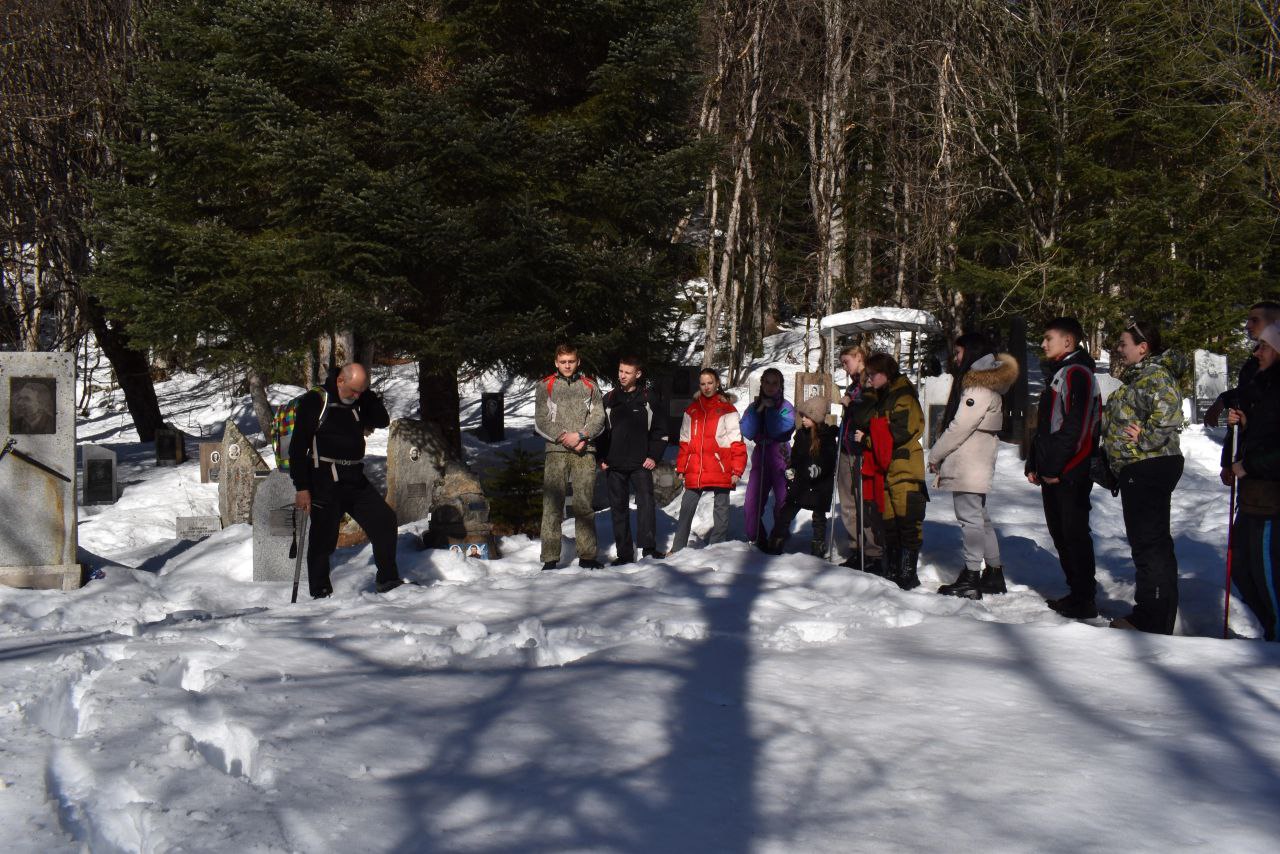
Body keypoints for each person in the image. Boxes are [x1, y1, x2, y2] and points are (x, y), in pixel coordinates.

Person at [1101, 320, 1186, 633]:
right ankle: (1154, 615)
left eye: (1124, 344)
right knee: (1147, 543)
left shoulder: (1155, 374)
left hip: (1148, 465)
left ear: (1143, 347)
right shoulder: (1140, 376)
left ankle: (1153, 619)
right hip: (1139, 467)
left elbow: (1170, 412)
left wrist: (1145, 438)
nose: (1119, 349)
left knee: (1150, 545)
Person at [291, 363, 404, 598]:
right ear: (340, 380)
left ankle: (388, 580)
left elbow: (382, 420)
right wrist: (302, 487)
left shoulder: (359, 399)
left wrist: (367, 396)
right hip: (323, 477)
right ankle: (320, 592)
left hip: (354, 477)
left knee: (384, 520)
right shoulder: (316, 400)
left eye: (361, 391)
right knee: (323, 538)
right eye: (354, 391)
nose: (356, 396)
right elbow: (297, 448)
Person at [929, 333, 1019, 599]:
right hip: (975, 460)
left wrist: (935, 454)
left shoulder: (977, 388)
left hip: (968, 463)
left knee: (970, 520)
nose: (955, 358)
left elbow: (960, 426)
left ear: (970, 352)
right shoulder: (987, 385)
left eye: (958, 353)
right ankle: (994, 573)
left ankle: (971, 577)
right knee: (980, 518)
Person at [1026, 317, 1101, 619]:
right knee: (1061, 533)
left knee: (1074, 534)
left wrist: (1057, 467)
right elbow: (1046, 426)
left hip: (1071, 471)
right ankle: (1077, 592)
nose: (1043, 344)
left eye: (1049, 338)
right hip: (1054, 470)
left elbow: (1077, 428)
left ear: (1068, 342)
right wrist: (1035, 462)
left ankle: (1084, 598)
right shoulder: (1059, 372)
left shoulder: (1077, 373)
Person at [1223, 322, 1280, 641]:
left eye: (1265, 346)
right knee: (1242, 571)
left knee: (1268, 576)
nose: (1257, 352)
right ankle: (1271, 634)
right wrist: (1245, 424)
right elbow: (1263, 434)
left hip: (1271, 500)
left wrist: (1249, 465)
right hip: (1253, 497)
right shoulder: (1263, 386)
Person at [857, 353, 927, 589]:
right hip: (886, 468)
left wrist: (868, 438)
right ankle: (894, 570)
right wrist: (869, 395)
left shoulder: (903, 396)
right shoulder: (882, 396)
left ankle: (907, 573)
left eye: (872, 375)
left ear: (885, 373)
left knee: (908, 521)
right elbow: (863, 419)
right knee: (890, 523)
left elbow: (899, 432)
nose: (869, 379)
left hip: (904, 468)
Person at [535, 344, 606, 571]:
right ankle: (550, 558)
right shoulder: (545, 386)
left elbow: (599, 417)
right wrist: (565, 437)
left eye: (571, 361)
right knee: (552, 504)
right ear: (556, 362)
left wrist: (582, 435)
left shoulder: (590, 386)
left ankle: (587, 555)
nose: (567, 365)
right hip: (556, 451)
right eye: (563, 362)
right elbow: (541, 420)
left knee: (584, 503)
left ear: (578, 362)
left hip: (585, 450)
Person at [597, 355, 668, 565]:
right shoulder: (609, 399)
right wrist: (601, 457)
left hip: (641, 463)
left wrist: (654, 455)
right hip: (614, 464)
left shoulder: (649, 398)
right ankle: (625, 554)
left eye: (627, 372)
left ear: (638, 374)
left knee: (646, 505)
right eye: (620, 371)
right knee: (618, 509)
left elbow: (661, 430)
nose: (622, 376)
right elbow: (600, 432)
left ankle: (649, 549)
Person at [672, 368, 747, 551]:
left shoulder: (728, 410)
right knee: (687, 507)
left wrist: (737, 470)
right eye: (703, 384)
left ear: (717, 384)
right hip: (696, 467)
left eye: (710, 383)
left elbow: (736, 441)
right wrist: (681, 467)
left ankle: (716, 549)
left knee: (721, 510)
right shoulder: (692, 410)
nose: (706, 387)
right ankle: (677, 549)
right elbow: (685, 441)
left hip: (720, 466)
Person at [769, 396, 839, 556]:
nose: (803, 419)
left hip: (819, 485)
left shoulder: (827, 437)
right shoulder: (801, 435)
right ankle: (775, 541)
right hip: (801, 482)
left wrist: (819, 469)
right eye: (802, 416)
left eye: (807, 416)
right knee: (787, 512)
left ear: (816, 418)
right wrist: (791, 468)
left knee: (819, 517)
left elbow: (829, 459)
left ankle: (818, 546)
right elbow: (795, 456)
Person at [835, 345, 884, 570]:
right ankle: (857, 548)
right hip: (846, 448)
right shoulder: (853, 385)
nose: (845, 368)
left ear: (859, 357)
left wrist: (851, 403)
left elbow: (870, 411)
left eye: (846, 362)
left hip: (862, 450)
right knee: (848, 503)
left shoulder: (870, 381)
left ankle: (873, 552)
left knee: (865, 502)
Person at [740, 367, 796, 549]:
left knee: (783, 500)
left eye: (775, 383)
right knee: (752, 502)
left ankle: (778, 536)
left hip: (781, 455)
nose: (770, 386)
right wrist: (759, 409)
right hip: (761, 456)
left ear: (780, 386)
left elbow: (780, 429)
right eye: (767, 382)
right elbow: (747, 430)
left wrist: (771, 411)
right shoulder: (754, 407)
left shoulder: (786, 407)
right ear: (762, 384)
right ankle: (757, 537)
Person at [1205, 301, 1280, 428]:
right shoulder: (1257, 357)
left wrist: (1250, 424)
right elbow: (1250, 390)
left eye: (1255, 320)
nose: (1247, 326)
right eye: (1248, 320)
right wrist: (1224, 401)